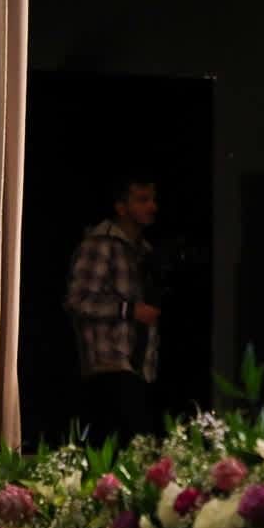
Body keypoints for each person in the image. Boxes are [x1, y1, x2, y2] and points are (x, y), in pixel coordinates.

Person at [64, 173, 162, 445]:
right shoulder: (100, 245)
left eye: (152, 199)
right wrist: (129, 310)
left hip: (137, 368)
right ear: (121, 206)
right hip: (107, 367)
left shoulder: (143, 250)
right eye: (142, 200)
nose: (152, 207)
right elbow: (77, 300)